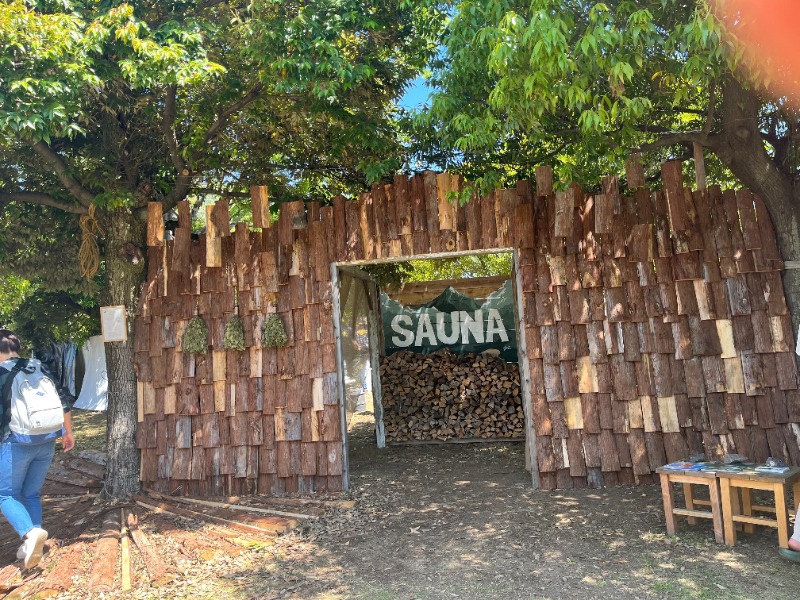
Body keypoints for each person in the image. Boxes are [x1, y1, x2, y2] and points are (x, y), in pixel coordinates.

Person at [0, 330, 75, 570]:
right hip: (46, 440)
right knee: (31, 493)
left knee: (6, 494)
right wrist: (68, 432)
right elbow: (64, 399)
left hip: (17, 442)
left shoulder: (2, 372)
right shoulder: (39, 367)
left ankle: (30, 534)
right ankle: (35, 546)